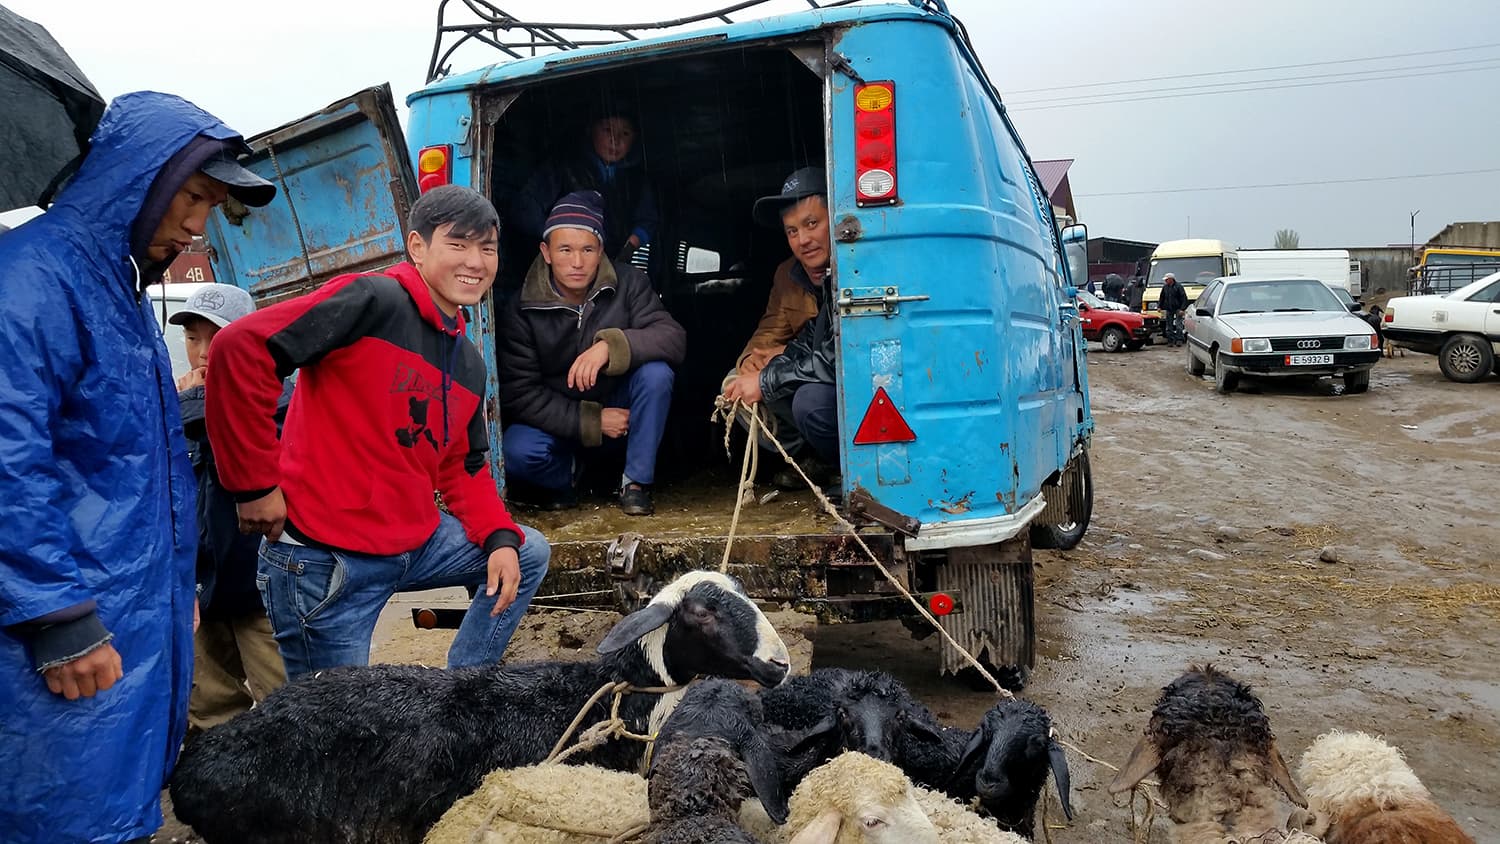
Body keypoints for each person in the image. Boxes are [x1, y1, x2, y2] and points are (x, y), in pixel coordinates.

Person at [0, 91, 276, 843]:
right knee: (60, 812)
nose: (196, 224)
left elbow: (133, 467)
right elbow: (6, 461)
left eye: (211, 206)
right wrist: (57, 619)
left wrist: (175, 583)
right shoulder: (31, 280)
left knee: (113, 804)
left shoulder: (114, 288)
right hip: (62, 624)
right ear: (136, 177)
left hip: (125, 604)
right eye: (192, 197)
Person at [206, 185, 550, 678]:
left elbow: (463, 466)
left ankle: (463, 690)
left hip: (411, 546)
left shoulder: (468, 361)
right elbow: (240, 350)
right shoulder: (372, 300)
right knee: (336, 735)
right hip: (326, 559)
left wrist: (498, 539)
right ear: (417, 247)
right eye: (458, 244)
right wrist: (254, 485)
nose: (475, 260)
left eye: (488, 248)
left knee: (526, 549)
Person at [499, 190, 686, 516]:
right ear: (545, 252)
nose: (577, 262)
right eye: (565, 249)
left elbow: (672, 338)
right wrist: (592, 421)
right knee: (515, 451)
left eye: (587, 249)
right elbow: (520, 394)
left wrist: (610, 347)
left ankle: (636, 484)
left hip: (621, 412)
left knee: (657, 373)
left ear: (601, 251)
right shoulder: (521, 308)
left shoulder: (629, 284)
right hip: (558, 425)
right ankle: (569, 478)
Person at [172, 284, 290, 732]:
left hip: (262, 591)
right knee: (209, 710)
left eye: (216, 338)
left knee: (288, 709)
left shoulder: (276, 393)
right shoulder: (180, 402)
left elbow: (212, 420)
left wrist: (186, 400)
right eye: (192, 338)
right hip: (201, 589)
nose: (202, 352)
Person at [722, 169, 840, 481]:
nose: (803, 240)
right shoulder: (787, 275)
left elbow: (838, 357)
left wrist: (770, 375)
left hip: (845, 388)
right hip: (810, 370)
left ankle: (846, 468)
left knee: (808, 401)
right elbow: (772, 334)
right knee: (739, 381)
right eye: (791, 231)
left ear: (838, 218)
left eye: (812, 224)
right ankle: (809, 462)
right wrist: (754, 366)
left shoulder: (854, 270)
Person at [510, 110, 658, 262]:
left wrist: (630, 246)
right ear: (591, 130)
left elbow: (647, 219)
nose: (616, 140)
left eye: (625, 133)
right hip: (559, 264)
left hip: (610, 262)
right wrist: (560, 242)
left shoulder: (637, 180)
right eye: (607, 130)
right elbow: (525, 210)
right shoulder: (562, 167)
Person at [1160, 272, 1189, 347]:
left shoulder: (1179, 287)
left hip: (1178, 308)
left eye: (1166, 279)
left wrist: (1182, 309)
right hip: (1169, 309)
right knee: (1169, 326)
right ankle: (1170, 341)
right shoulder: (1165, 287)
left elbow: (1183, 298)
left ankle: (1179, 340)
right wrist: (1159, 306)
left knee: (1178, 325)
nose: (1165, 281)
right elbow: (1162, 297)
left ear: (1171, 279)